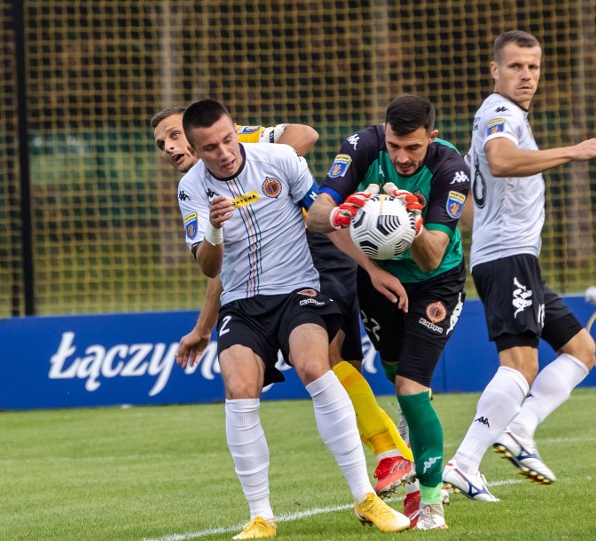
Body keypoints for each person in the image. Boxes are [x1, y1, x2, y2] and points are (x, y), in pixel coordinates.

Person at [151, 107, 416, 499]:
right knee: (337, 369)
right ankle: (389, 468)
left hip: (315, 250)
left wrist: (259, 178)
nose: (171, 147)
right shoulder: (196, 188)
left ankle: (391, 454)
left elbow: (305, 134)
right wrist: (203, 329)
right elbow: (220, 272)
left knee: (326, 361)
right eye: (162, 144)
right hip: (270, 276)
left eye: (174, 135)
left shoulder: (239, 141)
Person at [442, 30, 596, 501]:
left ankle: (519, 427)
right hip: (507, 257)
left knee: (580, 351)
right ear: (495, 70)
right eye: (516, 66)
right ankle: (464, 463)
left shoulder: (503, 117)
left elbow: (475, 198)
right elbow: (499, 162)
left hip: (511, 257)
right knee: (520, 366)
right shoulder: (500, 113)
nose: (527, 76)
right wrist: (572, 151)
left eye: (533, 67)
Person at [307, 94, 472, 530]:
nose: (402, 156)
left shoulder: (450, 169)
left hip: (435, 283)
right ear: (384, 132)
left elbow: (433, 255)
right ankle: (409, 442)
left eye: (413, 148)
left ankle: (430, 500)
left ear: (431, 139)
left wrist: (410, 222)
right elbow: (317, 215)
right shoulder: (362, 147)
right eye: (395, 145)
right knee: (392, 369)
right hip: (378, 278)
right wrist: (350, 213)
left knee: (410, 386)